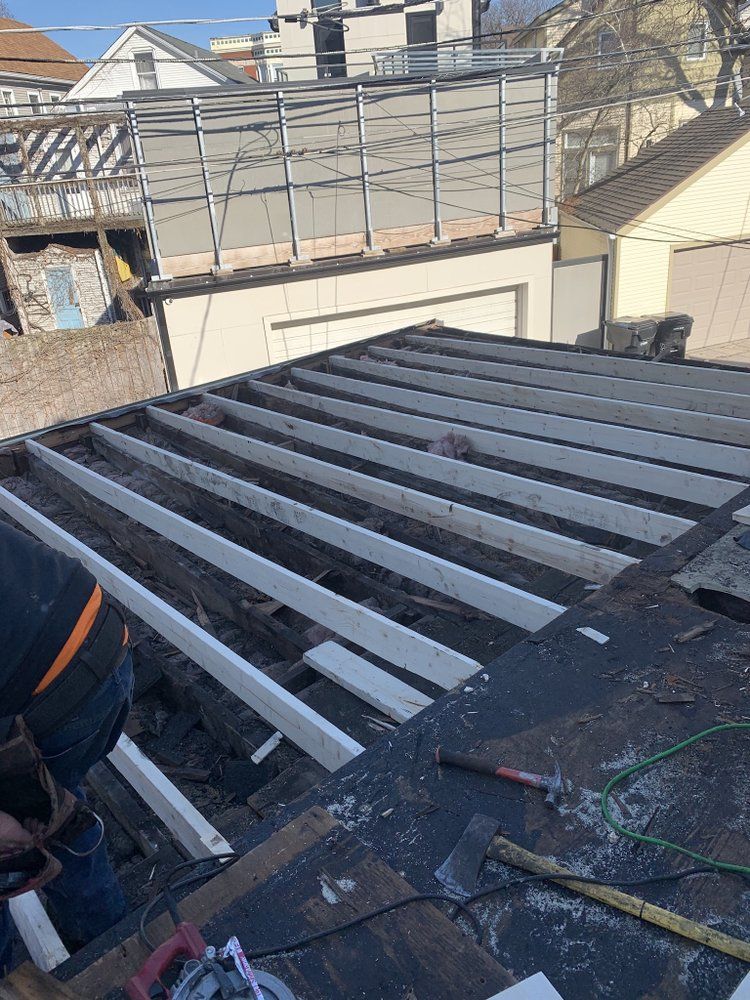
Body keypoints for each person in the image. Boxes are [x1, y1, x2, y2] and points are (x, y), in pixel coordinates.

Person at [0, 520, 133, 974]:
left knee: (34, 814)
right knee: (52, 804)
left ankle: (104, 951)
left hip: (51, 692)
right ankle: (107, 936)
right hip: (102, 631)